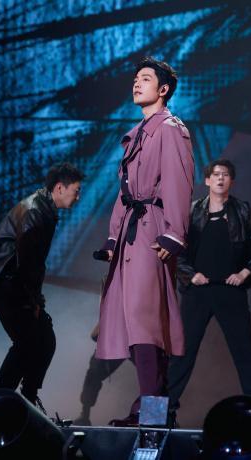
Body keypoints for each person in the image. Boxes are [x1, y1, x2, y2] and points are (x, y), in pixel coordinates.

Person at [95, 56, 194, 426]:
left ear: (164, 89)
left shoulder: (170, 129)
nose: (137, 83)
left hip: (152, 231)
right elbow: (124, 194)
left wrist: (174, 232)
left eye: (146, 78)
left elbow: (179, 182)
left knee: (145, 323)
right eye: (136, 78)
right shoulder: (137, 133)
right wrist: (113, 236)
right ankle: (153, 410)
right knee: (130, 323)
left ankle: (151, 414)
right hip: (130, 234)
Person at [0, 162, 83, 412]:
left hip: (14, 284)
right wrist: (32, 301)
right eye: (76, 191)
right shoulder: (35, 211)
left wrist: (35, 300)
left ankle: (27, 398)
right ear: (59, 188)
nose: (78, 197)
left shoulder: (44, 208)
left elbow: (33, 263)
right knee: (28, 342)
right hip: (5, 283)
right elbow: (27, 262)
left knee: (44, 339)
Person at [168, 159, 251, 415]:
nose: (220, 178)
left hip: (230, 291)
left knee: (245, 351)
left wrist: (244, 273)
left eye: (225, 175)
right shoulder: (192, 211)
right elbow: (175, 250)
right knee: (181, 352)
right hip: (198, 292)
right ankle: (160, 413)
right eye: (215, 175)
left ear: (231, 181)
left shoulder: (243, 211)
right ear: (207, 181)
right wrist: (191, 275)